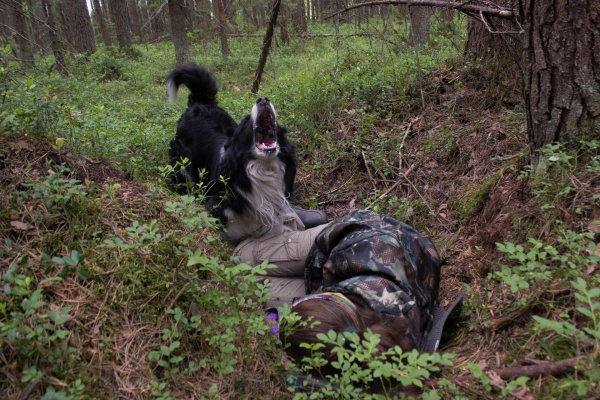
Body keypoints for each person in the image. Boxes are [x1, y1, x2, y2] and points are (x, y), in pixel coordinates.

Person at [233, 208, 451, 365]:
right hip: (348, 240)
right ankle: (290, 214)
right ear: (331, 299)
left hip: (400, 270)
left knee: (244, 284)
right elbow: (330, 250)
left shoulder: (380, 339)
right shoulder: (359, 250)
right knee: (241, 256)